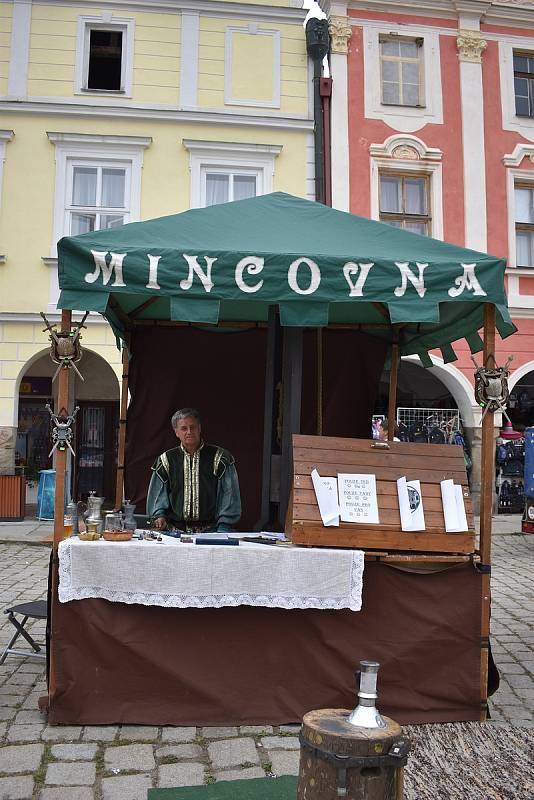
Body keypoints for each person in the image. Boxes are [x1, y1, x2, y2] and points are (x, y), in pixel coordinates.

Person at [147, 408, 241, 533]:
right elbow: (158, 495)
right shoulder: (165, 460)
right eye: (184, 428)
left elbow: (229, 495)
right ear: (176, 432)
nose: (189, 432)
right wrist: (159, 516)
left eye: (193, 427)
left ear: (199, 428)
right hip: (174, 533)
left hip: (212, 532)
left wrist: (224, 527)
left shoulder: (221, 458)